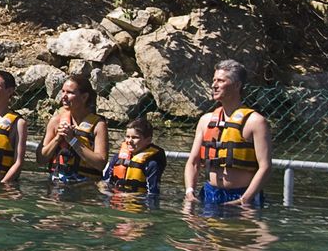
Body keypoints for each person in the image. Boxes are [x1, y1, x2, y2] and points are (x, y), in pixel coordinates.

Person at [185, 59, 272, 210]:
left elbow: (265, 167)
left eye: (220, 81)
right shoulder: (205, 120)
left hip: (242, 197)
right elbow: (193, 162)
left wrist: (245, 200)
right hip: (209, 194)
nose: (214, 85)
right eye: (213, 80)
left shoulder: (256, 122)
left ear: (237, 85)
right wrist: (189, 192)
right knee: (204, 234)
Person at [38, 71, 108, 185]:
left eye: (70, 93)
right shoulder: (56, 121)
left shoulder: (98, 125)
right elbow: (41, 159)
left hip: (85, 187)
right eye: (63, 91)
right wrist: (58, 138)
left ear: (84, 97)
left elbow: (100, 164)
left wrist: (73, 140)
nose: (64, 97)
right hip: (56, 185)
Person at [104, 116, 167, 199]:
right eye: (127, 136)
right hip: (116, 199)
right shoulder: (117, 158)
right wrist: (105, 191)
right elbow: (105, 181)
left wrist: (129, 196)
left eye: (135, 137)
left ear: (148, 140)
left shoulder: (152, 165)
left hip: (138, 204)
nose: (129, 141)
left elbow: (153, 194)